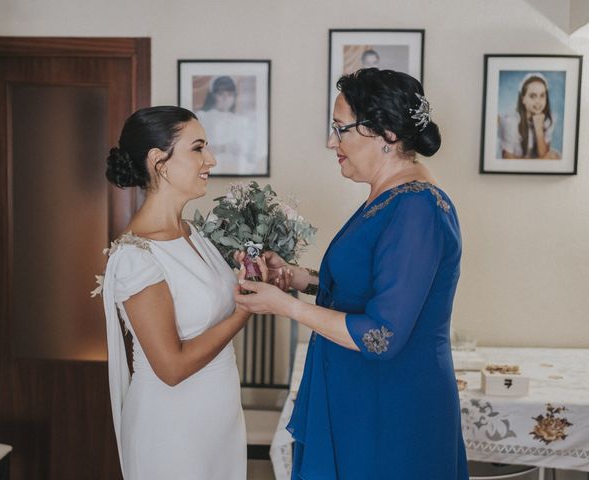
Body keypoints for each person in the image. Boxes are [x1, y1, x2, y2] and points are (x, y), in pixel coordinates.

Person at [235, 68, 468, 479]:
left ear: (386, 135)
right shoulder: (388, 197)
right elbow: (369, 285)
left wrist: (287, 307)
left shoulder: (417, 208)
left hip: (390, 406)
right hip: (361, 394)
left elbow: (383, 336)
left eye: (339, 129)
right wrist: (298, 279)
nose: (331, 142)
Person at [99, 106, 256, 480]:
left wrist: (250, 279)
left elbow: (207, 304)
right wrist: (245, 312)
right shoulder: (136, 256)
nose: (211, 160)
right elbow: (171, 367)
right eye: (198, 148)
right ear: (160, 162)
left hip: (217, 424)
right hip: (172, 431)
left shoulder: (191, 233)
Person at [196, 76, 257, 174]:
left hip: (237, 169)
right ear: (213, 95)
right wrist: (225, 147)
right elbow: (199, 148)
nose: (225, 98)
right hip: (212, 168)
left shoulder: (241, 120)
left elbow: (247, 150)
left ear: (234, 97)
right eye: (221, 94)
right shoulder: (202, 117)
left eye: (229, 95)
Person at [499, 73, 560, 159]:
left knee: (554, 156)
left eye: (542, 95)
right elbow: (507, 159)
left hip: (535, 164)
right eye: (532, 96)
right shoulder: (510, 122)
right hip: (517, 169)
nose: (538, 101)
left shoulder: (548, 119)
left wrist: (539, 128)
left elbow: (543, 153)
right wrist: (538, 162)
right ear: (523, 99)